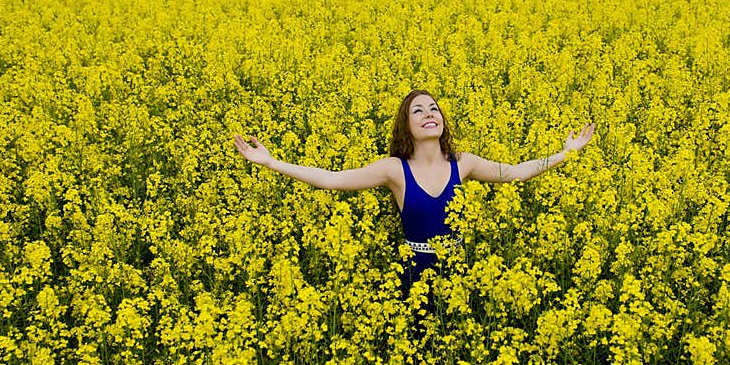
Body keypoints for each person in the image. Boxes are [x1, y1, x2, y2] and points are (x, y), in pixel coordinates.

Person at [234, 89, 595, 298]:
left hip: (459, 272)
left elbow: (516, 173)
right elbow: (331, 179)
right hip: (414, 275)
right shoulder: (395, 169)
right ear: (406, 125)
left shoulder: (463, 163)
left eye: (434, 108)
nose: (428, 114)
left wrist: (568, 152)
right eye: (417, 111)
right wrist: (271, 162)